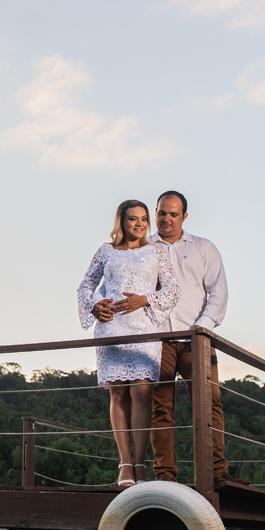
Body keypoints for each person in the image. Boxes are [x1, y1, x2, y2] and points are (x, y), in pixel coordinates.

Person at [77, 200, 180, 487]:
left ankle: (140, 462)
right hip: (112, 329)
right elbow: (85, 286)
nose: (139, 224)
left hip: (145, 327)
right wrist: (96, 306)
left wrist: (145, 299)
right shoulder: (105, 251)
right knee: (118, 394)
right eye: (133, 219)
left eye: (144, 219)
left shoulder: (157, 252)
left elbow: (173, 290)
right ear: (121, 222)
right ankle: (124, 464)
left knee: (143, 393)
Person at [146, 190, 236, 486]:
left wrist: (202, 327)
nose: (167, 219)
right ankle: (165, 475)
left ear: (184, 216)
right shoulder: (143, 248)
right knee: (159, 407)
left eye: (173, 214)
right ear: (155, 212)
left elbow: (218, 293)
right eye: (162, 213)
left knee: (209, 404)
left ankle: (216, 472)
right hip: (157, 340)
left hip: (196, 338)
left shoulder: (203, 248)